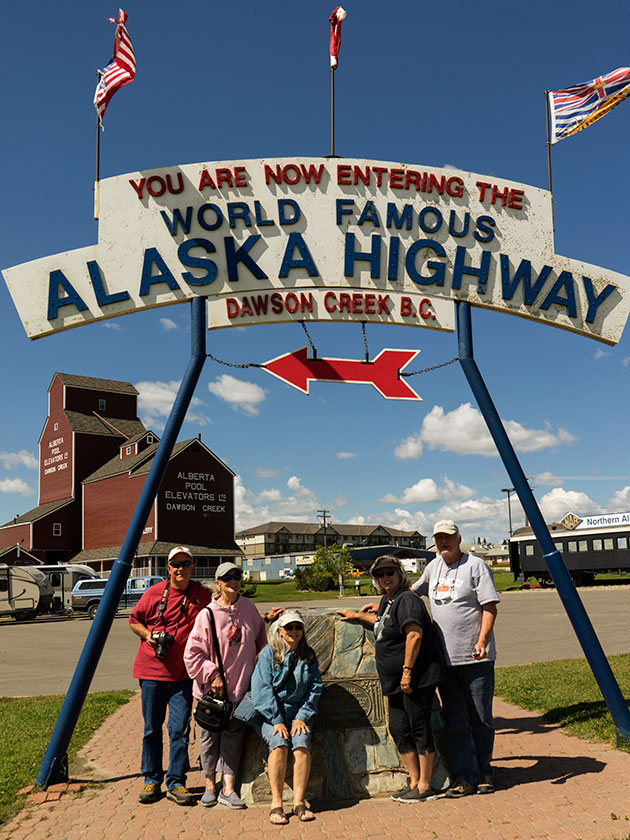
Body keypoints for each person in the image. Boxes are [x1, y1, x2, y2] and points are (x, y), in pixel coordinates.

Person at [337, 555, 444, 803]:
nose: (385, 577)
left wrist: (407, 671)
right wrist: (356, 616)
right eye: (380, 574)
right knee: (398, 728)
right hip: (394, 682)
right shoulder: (388, 600)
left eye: (390, 572)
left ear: (400, 573)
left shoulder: (407, 599)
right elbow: (385, 624)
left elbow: (414, 635)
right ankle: (414, 781)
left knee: (419, 729)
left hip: (414, 679)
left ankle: (426, 786)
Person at [184, 562, 283, 809]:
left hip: (241, 690)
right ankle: (209, 785)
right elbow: (192, 654)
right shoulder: (206, 615)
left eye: (237, 576)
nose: (233, 581)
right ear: (217, 583)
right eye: (227, 577)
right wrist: (212, 675)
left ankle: (228, 788)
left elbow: (261, 643)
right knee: (208, 738)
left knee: (233, 736)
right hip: (213, 692)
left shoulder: (248, 608)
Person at [412, 520, 500, 798]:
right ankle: (465, 777)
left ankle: (484, 772)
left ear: (458, 538)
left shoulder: (476, 565)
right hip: (445, 661)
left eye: (448, 537)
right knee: (455, 720)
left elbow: (489, 607)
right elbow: (411, 593)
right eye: (438, 538)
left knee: (481, 718)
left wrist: (482, 641)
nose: (443, 542)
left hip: (476, 659)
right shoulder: (432, 567)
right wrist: (385, 603)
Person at [129, 545, 212, 806]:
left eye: (186, 564)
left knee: (179, 730)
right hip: (152, 672)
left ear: (192, 567)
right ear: (168, 568)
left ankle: (176, 782)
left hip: (182, 676)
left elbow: (227, 605)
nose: (181, 569)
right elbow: (133, 619)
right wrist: (148, 636)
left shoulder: (202, 595)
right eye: (176, 564)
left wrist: (265, 616)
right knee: (152, 729)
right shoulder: (154, 593)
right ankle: (152, 779)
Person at [251, 609, 323, 825]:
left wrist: (303, 715)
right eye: (289, 627)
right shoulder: (268, 654)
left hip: (298, 712)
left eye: (298, 627)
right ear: (280, 630)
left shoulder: (308, 655)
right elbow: (262, 689)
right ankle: (277, 804)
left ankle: (300, 802)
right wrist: (277, 720)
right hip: (271, 712)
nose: (294, 631)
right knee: (279, 744)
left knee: (301, 745)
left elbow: (315, 687)